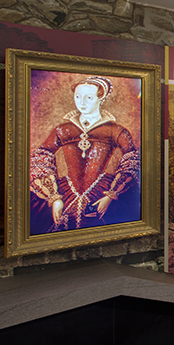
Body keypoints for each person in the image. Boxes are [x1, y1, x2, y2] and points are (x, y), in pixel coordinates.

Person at [29, 75, 141, 233]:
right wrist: (53, 197)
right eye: (77, 96)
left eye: (89, 97)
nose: (81, 102)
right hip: (65, 190)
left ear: (100, 99)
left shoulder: (115, 130)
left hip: (102, 191)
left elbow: (132, 159)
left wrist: (111, 195)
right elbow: (42, 155)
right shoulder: (63, 129)